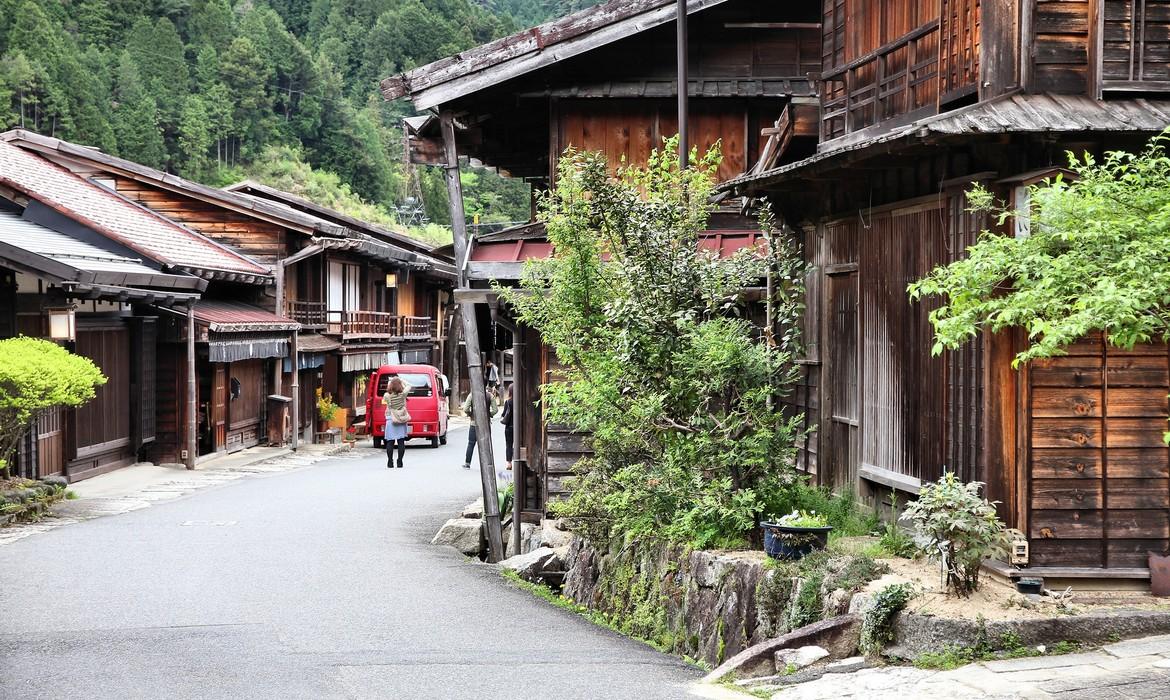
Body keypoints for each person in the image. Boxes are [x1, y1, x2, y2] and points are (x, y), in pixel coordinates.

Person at [461, 387, 497, 470]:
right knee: (486, 444)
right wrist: (489, 414)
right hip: (486, 424)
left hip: (474, 423)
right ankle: (488, 464)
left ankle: (467, 463)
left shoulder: (472, 394)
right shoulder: (490, 395)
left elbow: (465, 408)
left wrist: (470, 414)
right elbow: (495, 410)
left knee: (471, 443)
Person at [382, 376, 410, 469]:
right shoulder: (403, 395)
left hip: (391, 419)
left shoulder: (387, 395)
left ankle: (390, 461)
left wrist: (391, 383)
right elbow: (409, 385)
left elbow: (384, 400)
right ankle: (400, 461)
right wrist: (402, 381)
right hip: (401, 419)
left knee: (390, 442)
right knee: (401, 441)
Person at [500, 382, 514, 466]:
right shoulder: (521, 401)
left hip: (509, 427)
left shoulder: (508, 402)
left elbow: (503, 414)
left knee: (509, 444)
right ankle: (517, 461)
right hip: (519, 428)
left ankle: (509, 463)